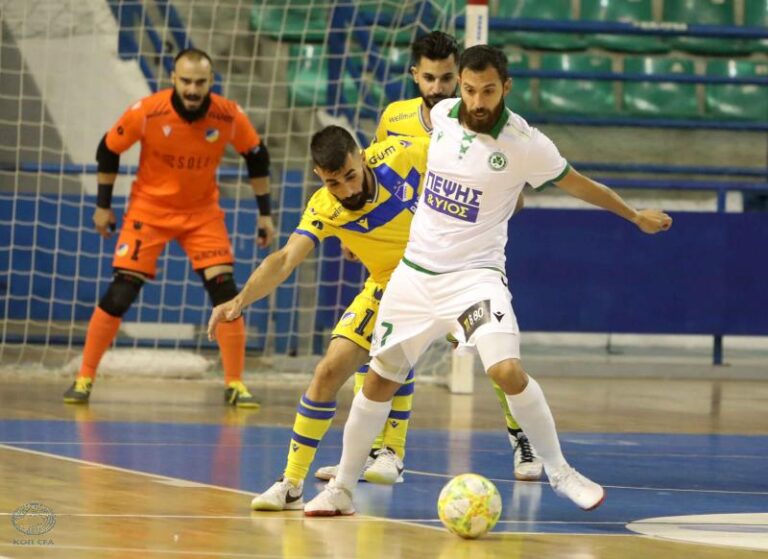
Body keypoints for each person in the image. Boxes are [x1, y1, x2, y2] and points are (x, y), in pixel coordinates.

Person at [303, 45, 673, 516]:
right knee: (378, 381)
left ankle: (560, 471)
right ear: (459, 85)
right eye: (470, 90)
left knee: (505, 370)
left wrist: (634, 215)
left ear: (506, 87)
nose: (478, 101)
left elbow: (579, 183)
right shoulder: (442, 115)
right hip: (414, 278)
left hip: (475, 280)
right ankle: (342, 488)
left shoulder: (526, 143)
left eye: (489, 91)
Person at [324, 30, 542, 483]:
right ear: (414, 76)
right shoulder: (395, 118)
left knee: (494, 354)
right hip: (404, 262)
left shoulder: (482, 123)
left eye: (446, 78)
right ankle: (382, 453)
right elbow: (370, 176)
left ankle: (522, 437)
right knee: (384, 351)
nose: (439, 87)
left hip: (462, 265)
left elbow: (514, 195)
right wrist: (353, 232)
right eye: (430, 78)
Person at [207, 126, 430, 510]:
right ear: (318, 176)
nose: (347, 190)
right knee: (327, 371)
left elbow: (465, 158)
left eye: (351, 176)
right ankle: (292, 484)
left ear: (361, 156)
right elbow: (284, 260)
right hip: (387, 285)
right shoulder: (324, 207)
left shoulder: (403, 154)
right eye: (333, 183)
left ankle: (527, 446)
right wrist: (239, 301)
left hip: (442, 274)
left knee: (500, 364)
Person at [63, 48, 275, 408]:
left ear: (211, 81)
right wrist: (102, 206)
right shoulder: (148, 111)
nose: (193, 89)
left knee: (227, 296)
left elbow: (256, 156)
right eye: (186, 81)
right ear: (173, 79)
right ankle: (84, 377)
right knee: (120, 293)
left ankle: (235, 384)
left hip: (202, 215)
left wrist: (265, 214)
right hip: (150, 211)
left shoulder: (227, 114)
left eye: (200, 82)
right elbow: (108, 149)